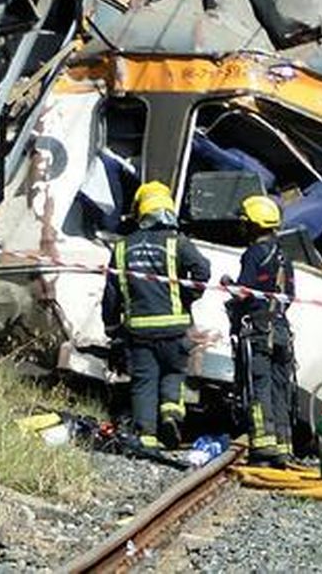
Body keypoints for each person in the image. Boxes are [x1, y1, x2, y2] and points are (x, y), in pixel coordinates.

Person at [101, 180, 212, 450]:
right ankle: (171, 415)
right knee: (174, 373)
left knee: (143, 382)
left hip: (139, 331)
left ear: (141, 211)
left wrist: (112, 327)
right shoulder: (178, 243)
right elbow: (202, 271)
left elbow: (112, 292)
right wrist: (185, 297)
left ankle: (146, 436)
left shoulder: (122, 247)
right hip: (175, 329)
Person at [227, 194, 298, 466]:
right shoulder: (284, 256)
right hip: (281, 330)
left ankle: (263, 445)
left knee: (260, 387)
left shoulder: (254, 253)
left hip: (258, 331)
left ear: (254, 224)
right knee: (282, 389)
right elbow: (289, 296)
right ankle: (283, 447)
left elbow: (244, 290)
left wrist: (228, 285)